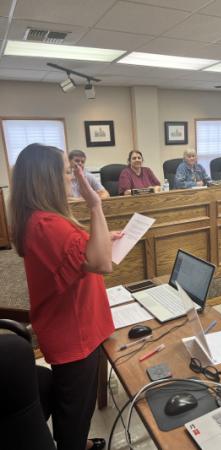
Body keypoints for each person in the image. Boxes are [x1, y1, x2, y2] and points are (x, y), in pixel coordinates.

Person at [10, 143, 123, 450]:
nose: (69, 178)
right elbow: (101, 264)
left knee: (71, 403)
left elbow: (83, 254)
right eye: (64, 172)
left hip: (72, 328)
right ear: (46, 178)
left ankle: (76, 441)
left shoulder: (37, 219)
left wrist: (100, 239)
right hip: (75, 336)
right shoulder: (47, 225)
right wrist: (95, 206)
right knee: (75, 411)